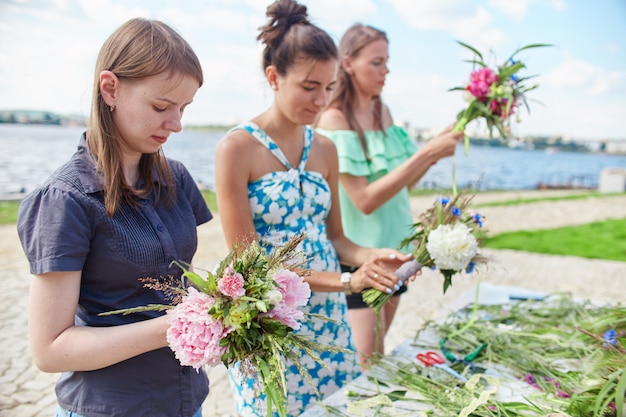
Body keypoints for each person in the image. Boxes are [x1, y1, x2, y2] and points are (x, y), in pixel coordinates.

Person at [213, 1, 413, 415]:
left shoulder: (324, 148)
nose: (321, 99)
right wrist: (346, 282)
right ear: (273, 77)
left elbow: (337, 238)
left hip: (329, 318)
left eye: (328, 86)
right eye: (309, 86)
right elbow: (252, 266)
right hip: (270, 319)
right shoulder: (236, 149)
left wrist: (374, 256)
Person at [17, 18, 211, 417]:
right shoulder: (64, 200)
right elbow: (50, 350)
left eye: (183, 108)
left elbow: (176, 284)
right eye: (161, 106)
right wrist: (171, 327)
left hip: (187, 400)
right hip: (108, 407)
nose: (176, 124)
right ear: (111, 89)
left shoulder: (176, 179)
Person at [315, 23, 465, 367]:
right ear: (348, 63)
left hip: (397, 252)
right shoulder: (334, 120)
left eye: (387, 63)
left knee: (378, 349)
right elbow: (364, 199)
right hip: (362, 257)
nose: (385, 72)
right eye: (376, 63)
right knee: (365, 362)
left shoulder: (383, 112)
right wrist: (426, 153)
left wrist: (435, 152)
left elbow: (402, 187)